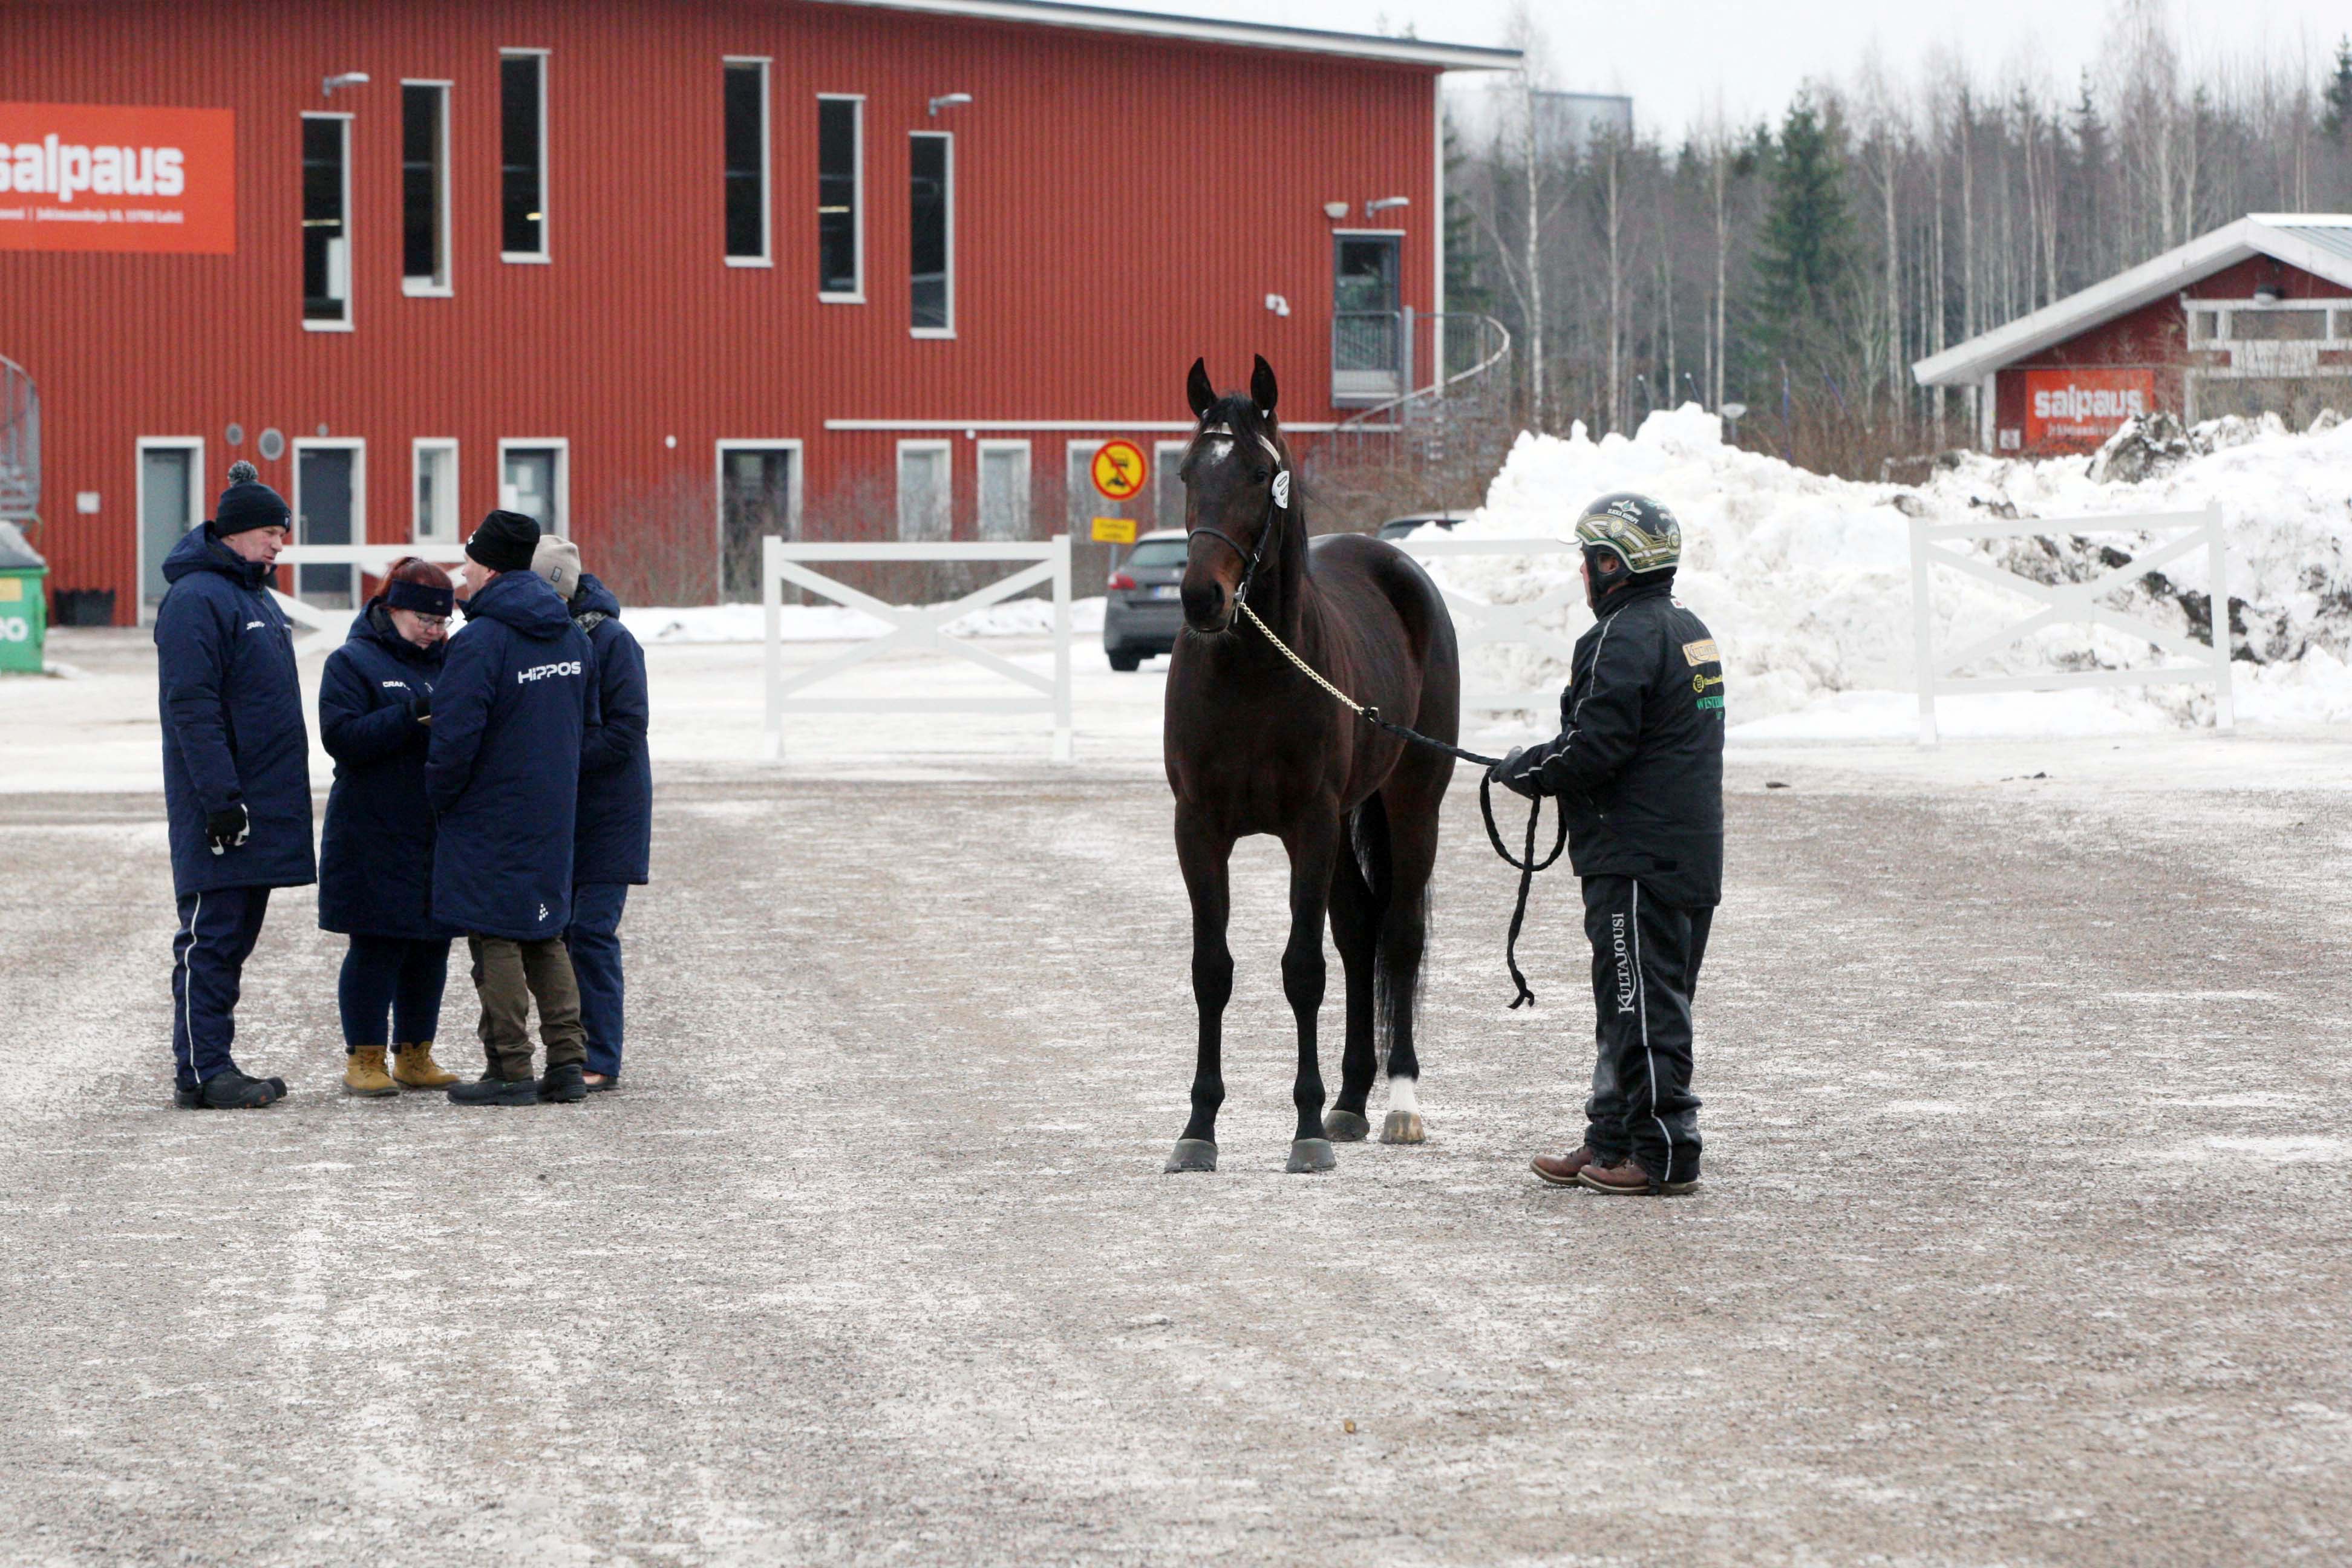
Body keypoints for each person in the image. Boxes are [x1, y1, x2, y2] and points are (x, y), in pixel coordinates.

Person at [1491, 492, 1725, 1197]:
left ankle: (1662, 1154)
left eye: (1590, 561)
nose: (1584, 577)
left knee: (1641, 1006)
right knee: (1636, 1005)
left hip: (1635, 862)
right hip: (1684, 854)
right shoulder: (1690, 629)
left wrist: (1527, 770)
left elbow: (1599, 746)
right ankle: (1610, 1138)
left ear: (1611, 563)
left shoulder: (1621, 636)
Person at [154, 460, 316, 1109]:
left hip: (260, 801)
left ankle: (212, 1064)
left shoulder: (252, 595)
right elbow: (192, 707)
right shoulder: (198, 599)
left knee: (234, 938)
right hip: (222, 805)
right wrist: (221, 802)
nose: (281, 543)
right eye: (272, 532)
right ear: (237, 532)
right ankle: (201, 1070)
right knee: (211, 937)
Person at [427, 509, 601, 1106]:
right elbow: (587, 723)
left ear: (491, 565)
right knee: (547, 931)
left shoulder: (481, 641)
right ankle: (568, 1066)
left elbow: (454, 740)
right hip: (553, 809)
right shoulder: (572, 635)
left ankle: (510, 1068)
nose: (465, 571)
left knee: (495, 936)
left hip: (489, 813)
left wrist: (439, 797)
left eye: (471, 559)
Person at [318, 557, 464, 1096]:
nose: (434, 630)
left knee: (432, 944)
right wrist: (412, 715)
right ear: (393, 607)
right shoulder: (351, 662)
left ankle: (416, 1054)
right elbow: (343, 739)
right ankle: (365, 1057)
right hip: (372, 826)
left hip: (436, 824)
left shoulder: (452, 661)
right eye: (425, 619)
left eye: (443, 621)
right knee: (377, 944)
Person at [532, 535, 652, 1093]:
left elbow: (628, 731)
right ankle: (570, 1047)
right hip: (563, 814)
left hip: (610, 815)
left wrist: (556, 760)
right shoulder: (546, 639)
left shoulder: (613, 641)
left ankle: (600, 1054)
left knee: (592, 931)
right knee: (556, 933)